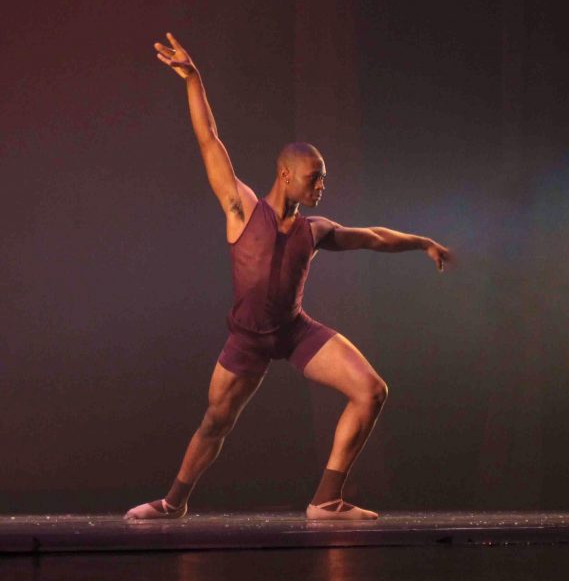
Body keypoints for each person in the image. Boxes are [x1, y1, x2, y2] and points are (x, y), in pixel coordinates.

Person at [124, 33, 452, 521]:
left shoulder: (314, 230)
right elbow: (208, 139)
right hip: (247, 339)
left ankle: (326, 500)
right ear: (285, 175)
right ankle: (173, 503)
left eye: (323, 177)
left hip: (295, 331)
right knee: (215, 422)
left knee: (372, 390)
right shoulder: (240, 209)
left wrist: (420, 242)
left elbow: (371, 237)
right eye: (314, 177)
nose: (322, 184)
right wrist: (194, 78)